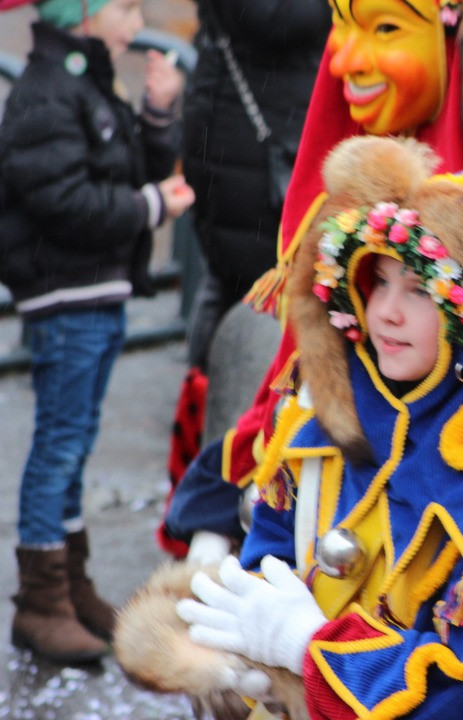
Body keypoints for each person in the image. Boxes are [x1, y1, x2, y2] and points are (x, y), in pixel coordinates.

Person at [118, 136, 463, 720]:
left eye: (417, 291)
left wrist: (310, 648)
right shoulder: (319, 421)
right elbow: (271, 548)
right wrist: (245, 647)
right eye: (377, 282)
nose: (385, 312)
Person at [159, 0, 463, 567]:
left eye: (385, 28)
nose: (344, 59)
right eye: (341, 24)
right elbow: (297, 383)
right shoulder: (345, 191)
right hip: (328, 515)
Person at [0, 0, 193, 663]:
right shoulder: (46, 93)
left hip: (95, 291)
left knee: (74, 445)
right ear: (83, 13)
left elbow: (129, 165)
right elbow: (63, 200)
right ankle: (40, 601)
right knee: (59, 446)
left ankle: (71, 585)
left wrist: (159, 114)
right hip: (67, 295)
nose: (137, 15)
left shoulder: (85, 79)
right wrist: (149, 207)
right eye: (125, 4)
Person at [160, 0, 331, 559]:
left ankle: (210, 504)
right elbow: (278, 18)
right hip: (256, 157)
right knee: (260, 330)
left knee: (239, 315)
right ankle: (229, 509)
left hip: (250, 138)